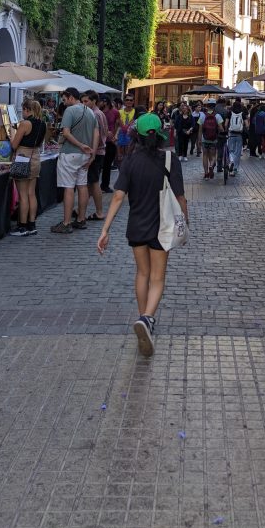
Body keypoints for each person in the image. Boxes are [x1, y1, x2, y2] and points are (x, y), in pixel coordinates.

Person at [98, 113, 187, 357]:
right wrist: (186, 221)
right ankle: (147, 318)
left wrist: (105, 229)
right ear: (159, 134)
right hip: (163, 226)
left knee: (142, 273)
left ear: (135, 135)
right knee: (157, 277)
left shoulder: (129, 161)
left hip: (136, 225)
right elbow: (180, 197)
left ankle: (143, 319)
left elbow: (117, 196)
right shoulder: (170, 159)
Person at [52, 87, 98, 234]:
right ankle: (81, 219)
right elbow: (96, 133)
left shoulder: (70, 111)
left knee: (69, 187)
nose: (64, 103)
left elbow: (66, 133)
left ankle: (66, 223)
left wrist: (80, 145)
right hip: (85, 155)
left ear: (71, 97)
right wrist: (92, 153)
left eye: (65, 100)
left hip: (70, 153)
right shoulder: (90, 111)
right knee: (82, 185)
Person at [8, 99, 47, 237]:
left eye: (23, 110)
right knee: (31, 193)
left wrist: (13, 133)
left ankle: (22, 226)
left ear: (27, 110)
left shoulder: (25, 123)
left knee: (23, 194)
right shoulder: (43, 124)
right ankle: (32, 224)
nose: (22, 112)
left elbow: (14, 145)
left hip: (22, 157)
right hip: (35, 157)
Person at [80, 91, 107, 222]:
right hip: (98, 151)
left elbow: (97, 136)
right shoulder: (98, 113)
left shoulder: (95, 114)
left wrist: (92, 154)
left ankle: (99, 211)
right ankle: (82, 209)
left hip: (95, 152)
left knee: (94, 182)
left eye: (86, 101)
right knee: (91, 183)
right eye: (82, 101)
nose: (84, 104)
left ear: (94, 101)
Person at [99, 96, 120, 192]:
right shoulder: (99, 112)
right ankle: (94, 185)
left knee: (107, 165)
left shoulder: (115, 112)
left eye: (101, 101)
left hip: (110, 141)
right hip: (99, 141)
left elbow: (118, 124)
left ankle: (105, 185)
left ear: (105, 102)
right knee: (98, 164)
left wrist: (114, 136)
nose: (99, 103)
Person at [199, 99, 223, 178]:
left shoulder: (202, 115)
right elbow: (221, 128)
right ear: (214, 106)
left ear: (207, 106)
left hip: (204, 139)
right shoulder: (217, 116)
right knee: (213, 156)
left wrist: (199, 139)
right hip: (214, 139)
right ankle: (211, 166)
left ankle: (206, 173)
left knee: (205, 155)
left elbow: (200, 129)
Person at [226, 100, 246, 176]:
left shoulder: (229, 113)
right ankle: (234, 170)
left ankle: (231, 161)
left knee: (231, 150)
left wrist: (227, 130)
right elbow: (247, 124)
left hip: (231, 134)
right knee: (237, 153)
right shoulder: (243, 114)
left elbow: (226, 124)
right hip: (239, 135)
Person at [117, 94, 137, 165]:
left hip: (131, 140)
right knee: (120, 163)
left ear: (133, 101)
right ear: (124, 101)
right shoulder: (119, 112)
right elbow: (117, 125)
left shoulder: (135, 112)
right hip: (120, 140)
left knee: (130, 162)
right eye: (127, 100)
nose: (129, 101)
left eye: (131, 100)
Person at [214, 97, 229, 173]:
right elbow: (226, 124)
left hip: (211, 133)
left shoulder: (213, 110)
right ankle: (219, 167)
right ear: (223, 103)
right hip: (221, 133)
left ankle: (212, 164)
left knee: (212, 150)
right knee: (220, 150)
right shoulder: (225, 111)